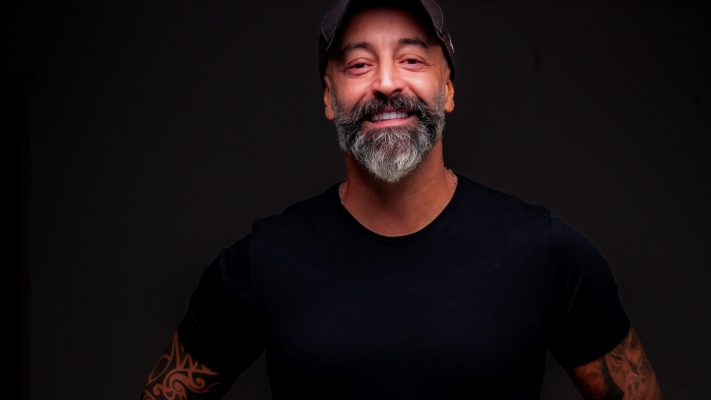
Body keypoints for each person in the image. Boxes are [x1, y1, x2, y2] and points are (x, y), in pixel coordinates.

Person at [142, 0, 662, 399]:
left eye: (411, 59)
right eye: (358, 65)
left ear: (448, 88)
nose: (387, 82)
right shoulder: (266, 259)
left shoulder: (544, 252)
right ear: (328, 97)